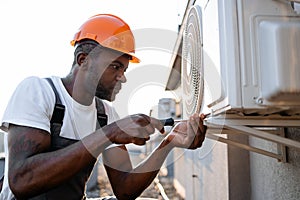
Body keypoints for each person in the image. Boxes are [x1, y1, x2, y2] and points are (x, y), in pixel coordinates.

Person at [0, 14, 207, 200]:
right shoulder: (39, 92)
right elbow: (22, 181)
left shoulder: (105, 115)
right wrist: (109, 134)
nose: (123, 77)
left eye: (124, 69)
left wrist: (168, 143)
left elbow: (125, 189)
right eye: (115, 67)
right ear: (84, 60)